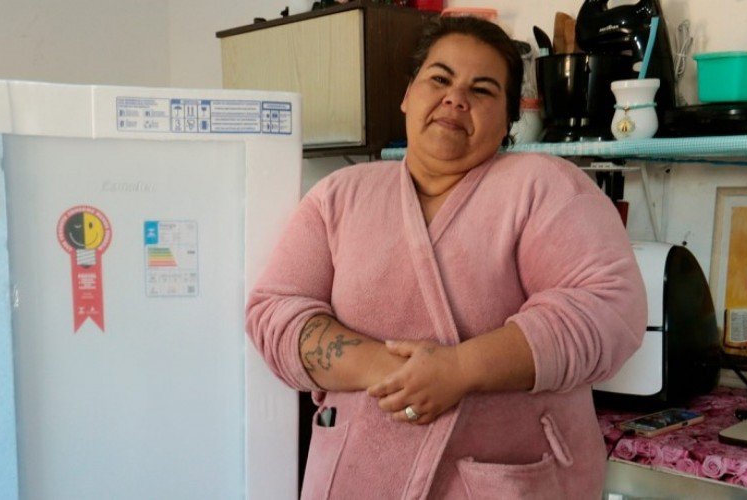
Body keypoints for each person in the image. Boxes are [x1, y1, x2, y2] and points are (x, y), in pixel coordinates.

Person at [247, 15, 647, 499]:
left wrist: (461, 370)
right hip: (358, 477)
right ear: (407, 94)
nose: (456, 98)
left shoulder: (545, 187)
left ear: (507, 122)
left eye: (482, 90)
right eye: (439, 79)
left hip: (510, 478)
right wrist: (390, 373)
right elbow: (275, 311)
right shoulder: (339, 197)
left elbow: (607, 308)